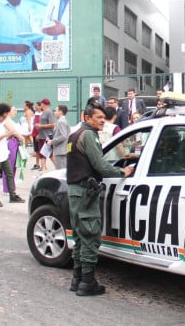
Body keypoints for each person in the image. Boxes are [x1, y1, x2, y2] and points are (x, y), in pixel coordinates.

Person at [66, 105, 134, 296]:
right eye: (98, 117)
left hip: (75, 191)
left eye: (104, 117)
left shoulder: (75, 135)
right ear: (87, 118)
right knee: (90, 235)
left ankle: (77, 279)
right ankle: (88, 283)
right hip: (85, 192)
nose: (103, 120)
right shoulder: (88, 135)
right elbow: (100, 164)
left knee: (79, 236)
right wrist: (123, 171)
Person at [0, 103, 25, 207]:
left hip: (3, 154)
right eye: (4, 116)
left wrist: (8, 137)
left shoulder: (0, 124)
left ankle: (13, 195)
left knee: (9, 173)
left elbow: (1, 138)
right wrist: (6, 134)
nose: (4, 118)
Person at [38, 0, 71, 70]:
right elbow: (48, 31)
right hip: (53, 58)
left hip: (72, 59)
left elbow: (90, 32)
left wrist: (65, 29)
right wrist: (40, 44)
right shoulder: (52, 2)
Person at [1, 105, 24, 193]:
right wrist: (21, 137)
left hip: (15, 142)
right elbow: (13, 131)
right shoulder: (6, 121)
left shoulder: (11, 121)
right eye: (13, 110)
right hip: (11, 143)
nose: (15, 112)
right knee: (9, 167)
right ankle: (7, 189)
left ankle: (11, 187)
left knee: (13, 166)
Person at [35, 98, 55, 172]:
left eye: (41, 103)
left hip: (47, 136)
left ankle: (59, 168)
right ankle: (43, 170)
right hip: (42, 136)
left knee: (50, 154)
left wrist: (41, 126)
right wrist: (38, 134)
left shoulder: (49, 112)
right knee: (42, 154)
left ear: (44, 104)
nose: (41, 105)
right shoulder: (43, 112)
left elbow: (53, 124)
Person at [50, 105, 71, 170]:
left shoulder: (61, 122)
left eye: (56, 111)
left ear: (60, 112)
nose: (54, 112)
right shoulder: (64, 121)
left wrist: (52, 141)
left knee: (61, 170)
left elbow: (63, 136)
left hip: (61, 150)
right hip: (63, 150)